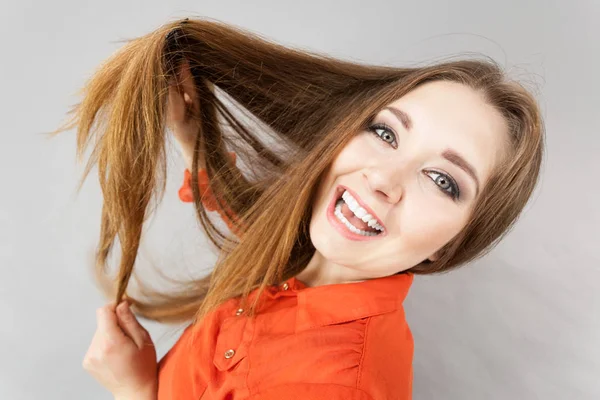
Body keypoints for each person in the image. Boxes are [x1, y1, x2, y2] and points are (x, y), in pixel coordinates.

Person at [52, 16, 545, 400]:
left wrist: (132, 390)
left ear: (456, 242)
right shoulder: (321, 266)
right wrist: (194, 141)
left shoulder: (323, 386)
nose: (382, 179)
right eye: (385, 132)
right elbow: (271, 234)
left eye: (442, 180)